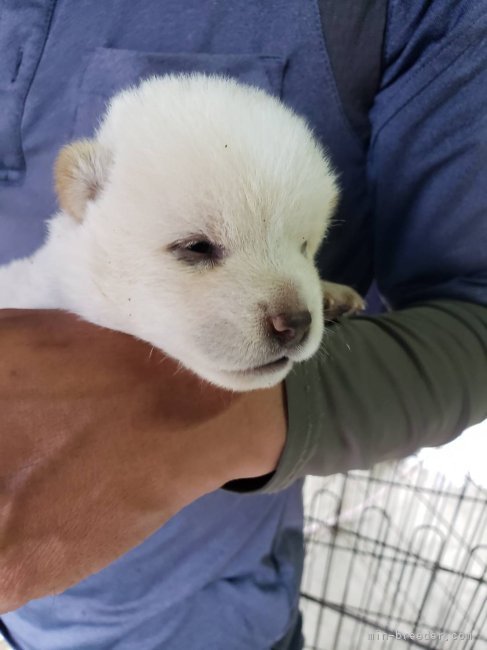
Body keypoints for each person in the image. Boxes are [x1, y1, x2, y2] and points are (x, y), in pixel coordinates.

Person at [0, 1, 486, 648]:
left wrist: (213, 419)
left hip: (204, 620)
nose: (294, 309)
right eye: (198, 249)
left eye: (307, 250)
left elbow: (469, 305)